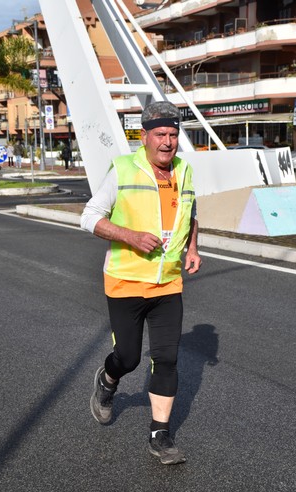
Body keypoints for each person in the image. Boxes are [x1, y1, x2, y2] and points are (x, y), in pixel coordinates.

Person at [81, 101, 202, 465]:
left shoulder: (184, 170)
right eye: (161, 134)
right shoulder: (123, 169)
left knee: (166, 359)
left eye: (174, 135)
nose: (168, 142)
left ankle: (159, 436)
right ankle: (107, 379)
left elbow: (191, 210)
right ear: (145, 136)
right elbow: (89, 217)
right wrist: (130, 236)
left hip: (167, 284)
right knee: (129, 358)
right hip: (126, 282)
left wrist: (193, 247)